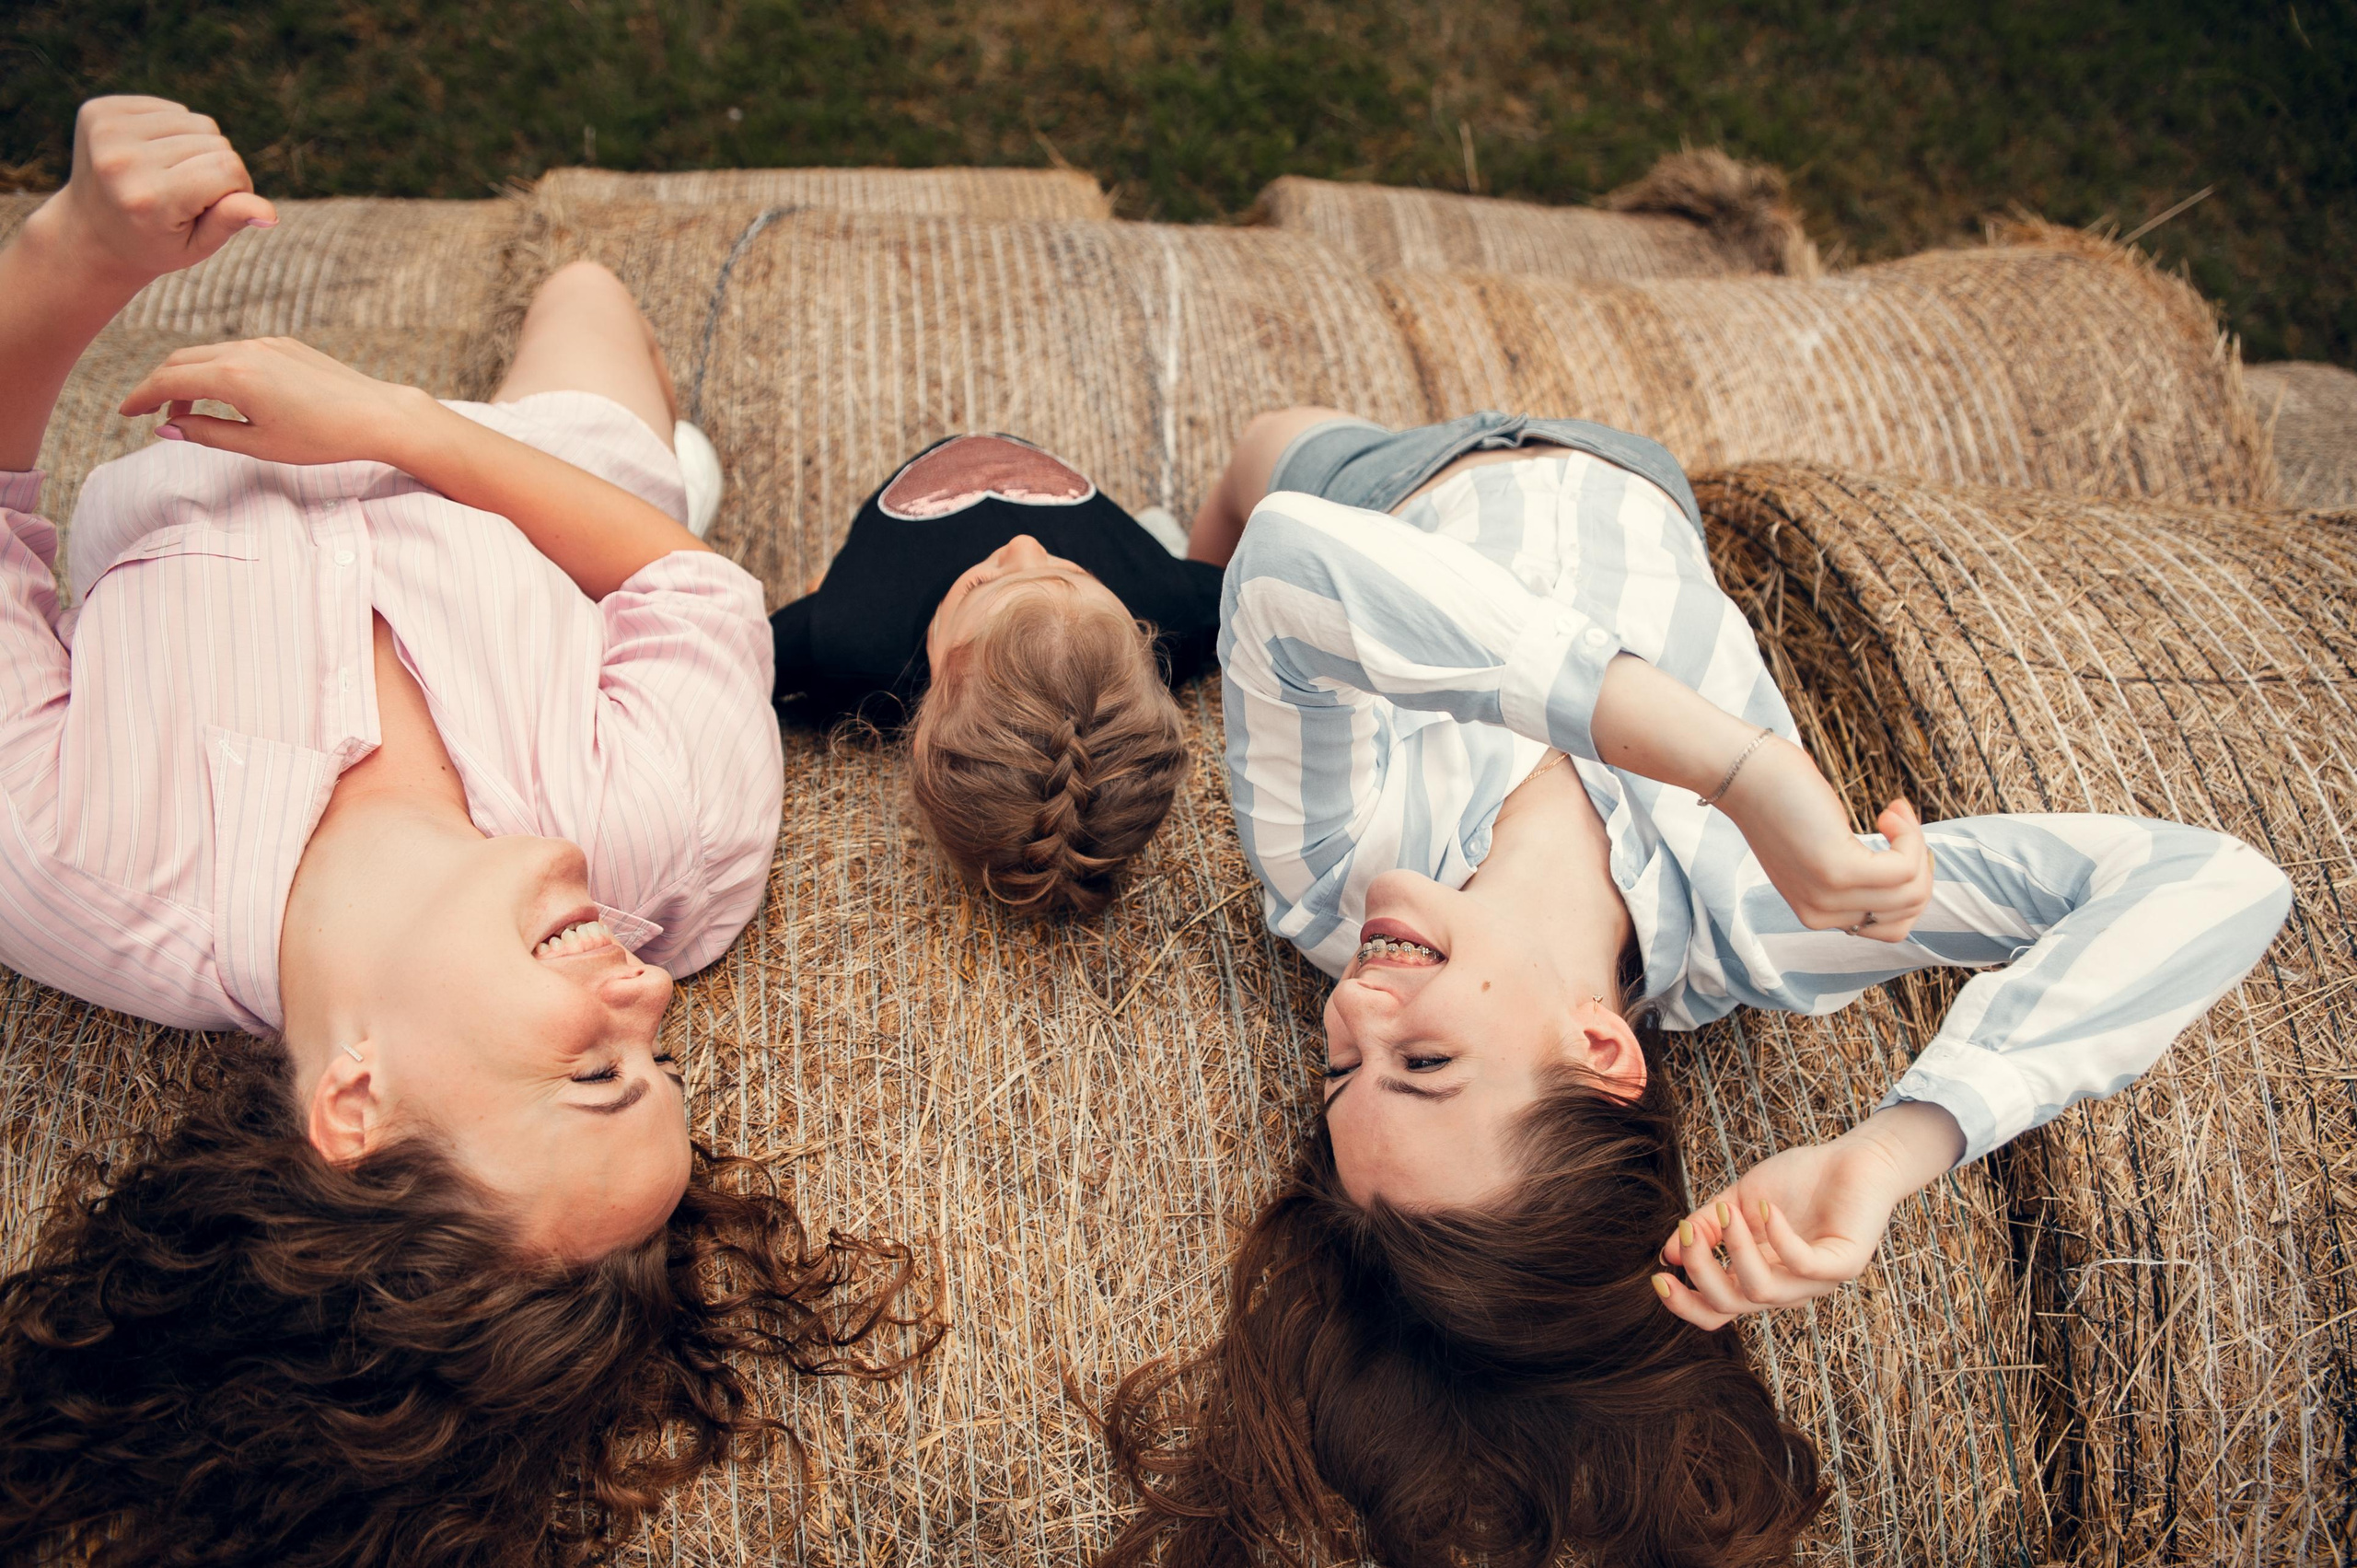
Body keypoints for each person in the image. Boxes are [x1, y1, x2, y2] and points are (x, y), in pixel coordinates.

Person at [1101, 408, 2293, 1568]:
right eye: (1424, 1062)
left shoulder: (1332, 877)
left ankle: (1160, 574)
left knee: (1257, 458)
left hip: (1398, 487)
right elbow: (2210, 879)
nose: (1355, 1009)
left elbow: (1293, 561)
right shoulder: (1762, 916)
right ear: (1600, 1051)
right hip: (1626, 479)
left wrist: (1740, 766)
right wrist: (1890, 1151)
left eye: (1340, 1066)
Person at [0, 98, 927, 1566]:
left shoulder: (80, 868)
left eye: (593, 1065)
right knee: (585, 293)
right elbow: (693, 593)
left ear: (354, 1104)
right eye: (662, 1056)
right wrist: (402, 428)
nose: (653, 990)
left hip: (202, 473)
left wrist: (73, 254)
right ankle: (656, 446)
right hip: (544, 483)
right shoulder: (659, 848)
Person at [770, 434, 1211, 914]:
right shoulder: (1170, 598)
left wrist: (829, 599)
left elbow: (739, 655)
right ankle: (1162, 541)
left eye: (984, 584)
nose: (1025, 545)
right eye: (1080, 576)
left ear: (923, 733)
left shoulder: (847, 635)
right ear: (1147, 649)